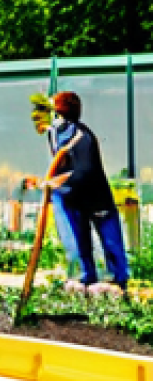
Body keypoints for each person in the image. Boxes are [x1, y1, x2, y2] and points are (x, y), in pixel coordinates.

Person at [44, 91, 129, 291]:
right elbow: (59, 162)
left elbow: (85, 170)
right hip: (73, 197)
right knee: (80, 238)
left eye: (56, 113)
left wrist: (59, 182)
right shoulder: (55, 133)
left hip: (95, 196)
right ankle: (86, 275)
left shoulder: (83, 136)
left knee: (109, 238)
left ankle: (119, 278)